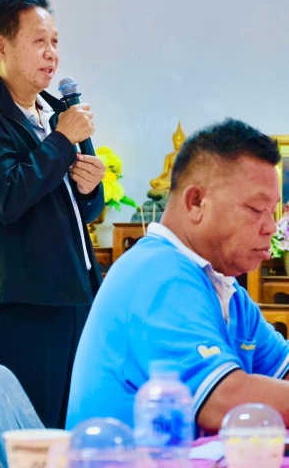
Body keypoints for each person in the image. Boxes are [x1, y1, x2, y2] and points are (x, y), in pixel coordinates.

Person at [66, 118, 289, 434]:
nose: (270, 227)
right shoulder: (158, 275)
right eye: (256, 209)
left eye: (273, 211)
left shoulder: (227, 291)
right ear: (196, 202)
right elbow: (223, 402)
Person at [0, 0, 105, 428]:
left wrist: (90, 189)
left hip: (76, 295)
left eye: (55, 41)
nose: (51, 53)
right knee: (28, 436)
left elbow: (85, 209)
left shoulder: (56, 111)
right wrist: (62, 140)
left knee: (74, 428)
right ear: (1, 46)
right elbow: (6, 196)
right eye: (39, 41)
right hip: (23, 307)